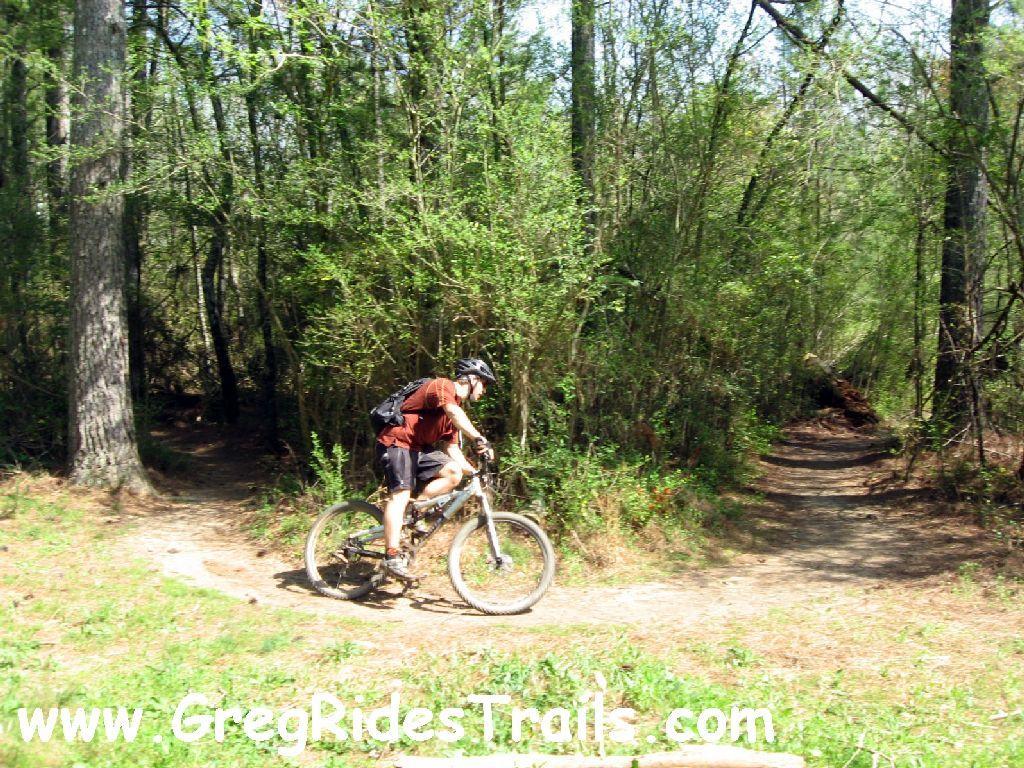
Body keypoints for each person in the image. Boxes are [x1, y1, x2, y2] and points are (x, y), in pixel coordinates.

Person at [375, 358, 497, 581]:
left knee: (453, 473)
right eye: (484, 384)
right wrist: (480, 438)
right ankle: (391, 557)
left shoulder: (453, 415)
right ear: (472, 379)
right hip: (397, 441)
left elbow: (453, 451)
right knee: (400, 495)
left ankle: (415, 511)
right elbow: (452, 411)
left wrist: (474, 472)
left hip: (419, 450)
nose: (484, 391)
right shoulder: (442, 386)